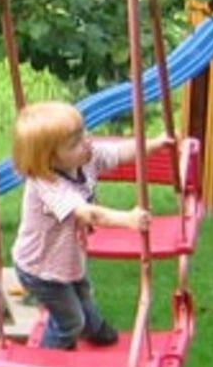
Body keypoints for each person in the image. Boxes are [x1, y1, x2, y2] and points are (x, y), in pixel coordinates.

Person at [9, 101, 150, 351]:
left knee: (83, 293)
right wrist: (127, 219)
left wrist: (156, 143)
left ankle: (93, 327)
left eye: (83, 133)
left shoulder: (85, 159)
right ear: (49, 158)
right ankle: (49, 360)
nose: (86, 141)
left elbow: (121, 152)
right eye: (74, 143)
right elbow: (88, 214)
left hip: (66, 258)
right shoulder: (47, 185)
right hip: (40, 269)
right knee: (70, 321)